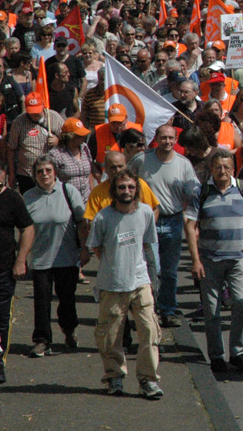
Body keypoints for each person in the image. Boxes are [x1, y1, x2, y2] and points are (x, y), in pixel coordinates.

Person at [87, 169, 163, 399]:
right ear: (114, 191)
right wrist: (115, 265)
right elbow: (97, 248)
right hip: (112, 284)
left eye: (131, 187)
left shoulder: (146, 213)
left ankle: (148, 380)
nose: (126, 191)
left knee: (149, 331)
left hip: (140, 282)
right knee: (111, 336)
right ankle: (115, 377)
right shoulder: (103, 217)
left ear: (137, 189)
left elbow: (147, 244)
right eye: (122, 187)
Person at [185, 149, 243, 374]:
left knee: (241, 304)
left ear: (233, 168)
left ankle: (237, 353)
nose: (222, 171)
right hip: (210, 260)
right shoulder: (201, 191)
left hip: (238, 259)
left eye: (226, 167)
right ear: (211, 169)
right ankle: (216, 356)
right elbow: (190, 225)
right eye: (218, 167)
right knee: (212, 311)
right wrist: (195, 260)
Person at [128, 124, 201, 328]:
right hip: (146, 222)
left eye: (171, 138)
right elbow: (125, 181)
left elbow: (194, 191)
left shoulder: (184, 164)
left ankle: (168, 310)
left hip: (174, 221)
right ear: (156, 139)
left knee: (169, 271)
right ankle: (147, 310)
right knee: (151, 269)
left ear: (176, 139)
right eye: (163, 138)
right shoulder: (141, 160)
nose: (167, 142)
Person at [24, 155, 86, 357]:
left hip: (66, 258)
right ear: (34, 175)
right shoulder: (28, 197)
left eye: (48, 170)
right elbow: (25, 228)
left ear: (55, 173)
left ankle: (69, 331)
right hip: (40, 259)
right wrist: (22, 256)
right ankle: (42, 340)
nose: (44, 174)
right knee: (41, 302)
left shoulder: (69, 192)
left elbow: (82, 222)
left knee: (67, 299)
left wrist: (85, 249)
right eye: (40, 171)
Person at [0, 161, 34, 385]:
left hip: (2, 270)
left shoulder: (12, 199)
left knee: (0, 318)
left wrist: (21, 260)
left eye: (0, 184)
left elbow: (27, 228)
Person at [7, 91, 63, 193]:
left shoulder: (55, 117)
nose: (34, 114)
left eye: (37, 111)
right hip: (27, 174)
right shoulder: (19, 122)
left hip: (50, 173)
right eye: (31, 111)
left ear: (43, 106)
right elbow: (11, 148)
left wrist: (57, 141)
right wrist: (12, 173)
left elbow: (68, 141)